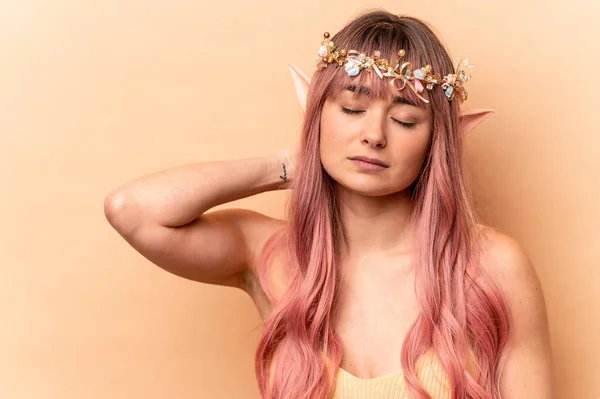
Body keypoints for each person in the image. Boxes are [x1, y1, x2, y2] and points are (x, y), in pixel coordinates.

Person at [103, 9, 553, 399]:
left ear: (438, 142)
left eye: (404, 119)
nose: (374, 135)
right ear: (316, 113)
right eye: (352, 110)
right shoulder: (271, 255)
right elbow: (133, 210)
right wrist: (289, 164)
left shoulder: (490, 266)